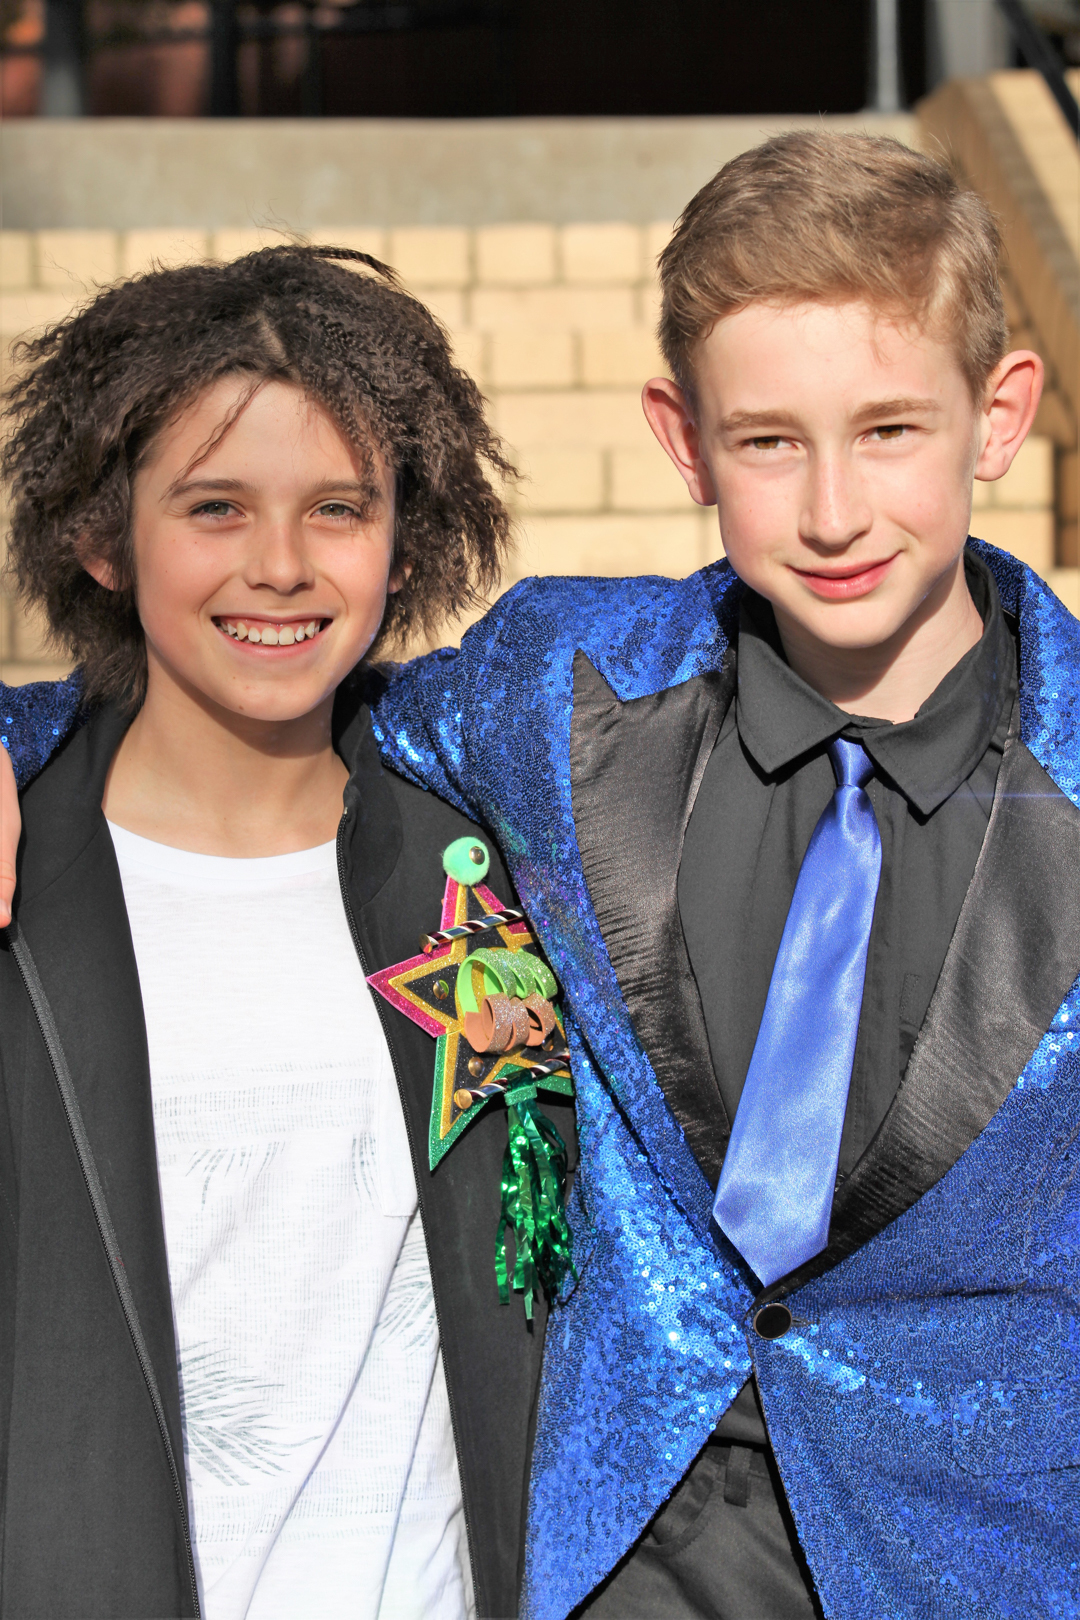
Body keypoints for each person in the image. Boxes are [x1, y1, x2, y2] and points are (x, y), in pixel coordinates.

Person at [4, 130, 1079, 1619]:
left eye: (889, 430)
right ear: (683, 441)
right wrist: (14, 735)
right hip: (608, 1568)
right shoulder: (557, 691)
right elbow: (278, 693)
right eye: (769, 442)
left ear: (1001, 416)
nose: (834, 509)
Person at [0, 245, 574, 1620]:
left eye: (338, 508)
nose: (280, 566)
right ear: (101, 537)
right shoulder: (22, 883)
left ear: (406, 538)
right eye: (215, 507)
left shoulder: (503, 853)